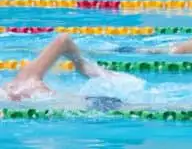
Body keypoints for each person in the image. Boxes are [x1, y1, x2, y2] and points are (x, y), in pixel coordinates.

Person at [1, 34, 133, 110]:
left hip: (102, 105)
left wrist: (82, 66)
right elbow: (63, 40)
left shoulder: (25, 80)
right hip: (97, 106)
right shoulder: (24, 82)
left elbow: (63, 40)